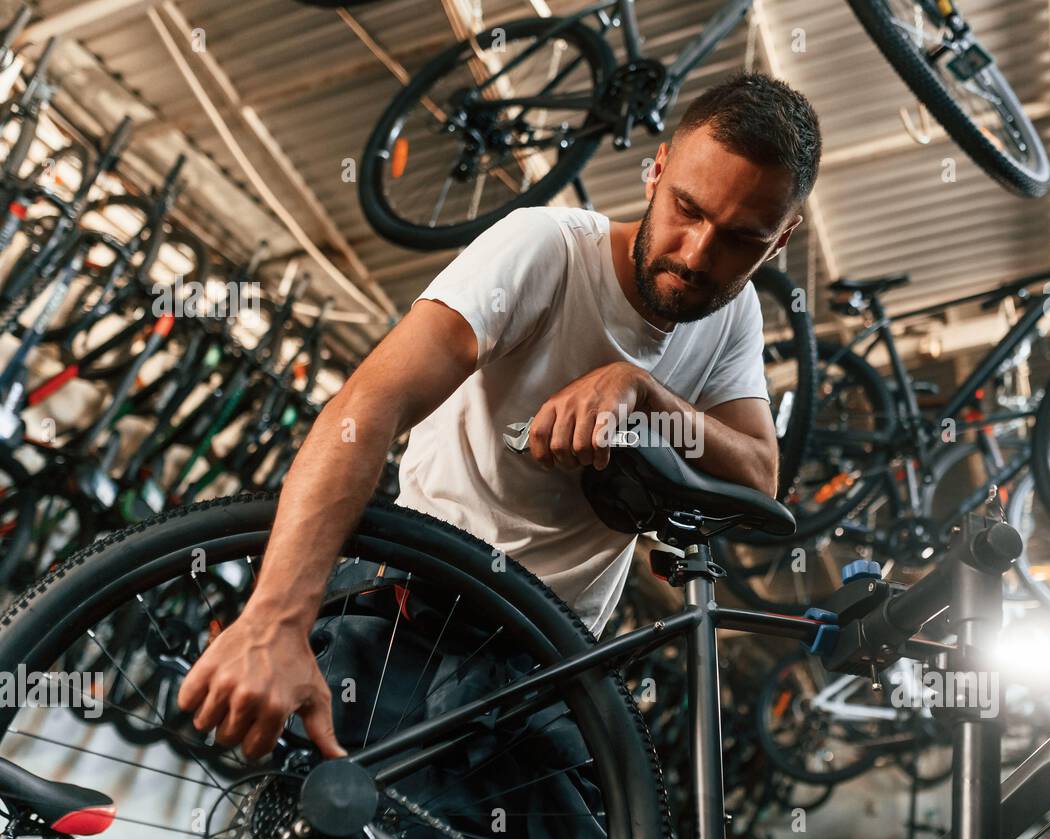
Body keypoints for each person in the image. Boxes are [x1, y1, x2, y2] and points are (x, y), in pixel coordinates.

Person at [176, 71, 823, 761]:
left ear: (780, 241)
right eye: (687, 209)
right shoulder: (546, 249)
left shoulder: (733, 317)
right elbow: (368, 406)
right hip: (417, 603)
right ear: (656, 170)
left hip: (548, 659)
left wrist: (643, 393)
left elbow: (758, 473)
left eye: (739, 239)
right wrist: (277, 618)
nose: (697, 254)